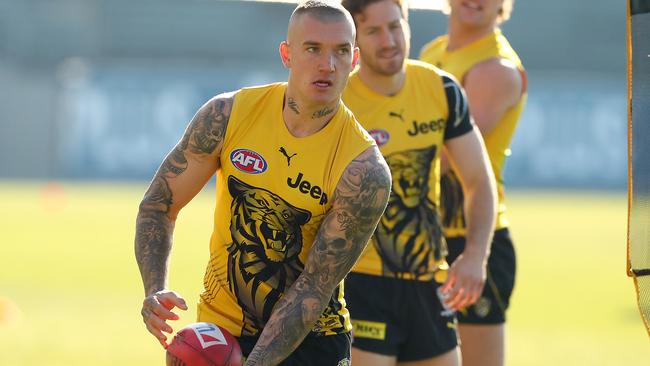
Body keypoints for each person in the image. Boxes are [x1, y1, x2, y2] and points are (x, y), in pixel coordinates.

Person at [134, 2, 392, 365]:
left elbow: (314, 287)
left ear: (355, 60)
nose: (327, 65)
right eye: (313, 49)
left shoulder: (364, 171)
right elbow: (159, 204)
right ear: (287, 54)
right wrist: (155, 289)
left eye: (341, 51)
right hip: (219, 333)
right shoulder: (227, 116)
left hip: (310, 342)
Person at [340, 0, 497, 365]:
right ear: (354, 41)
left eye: (395, 26)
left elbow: (478, 180)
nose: (389, 40)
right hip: (360, 284)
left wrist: (475, 257)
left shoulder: (441, 89)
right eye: (374, 31)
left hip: (428, 281)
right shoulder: (336, 100)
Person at [419, 1, 527, 365]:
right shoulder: (432, 51)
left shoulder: (496, 69)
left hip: (472, 240)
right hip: (424, 236)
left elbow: (448, 159)